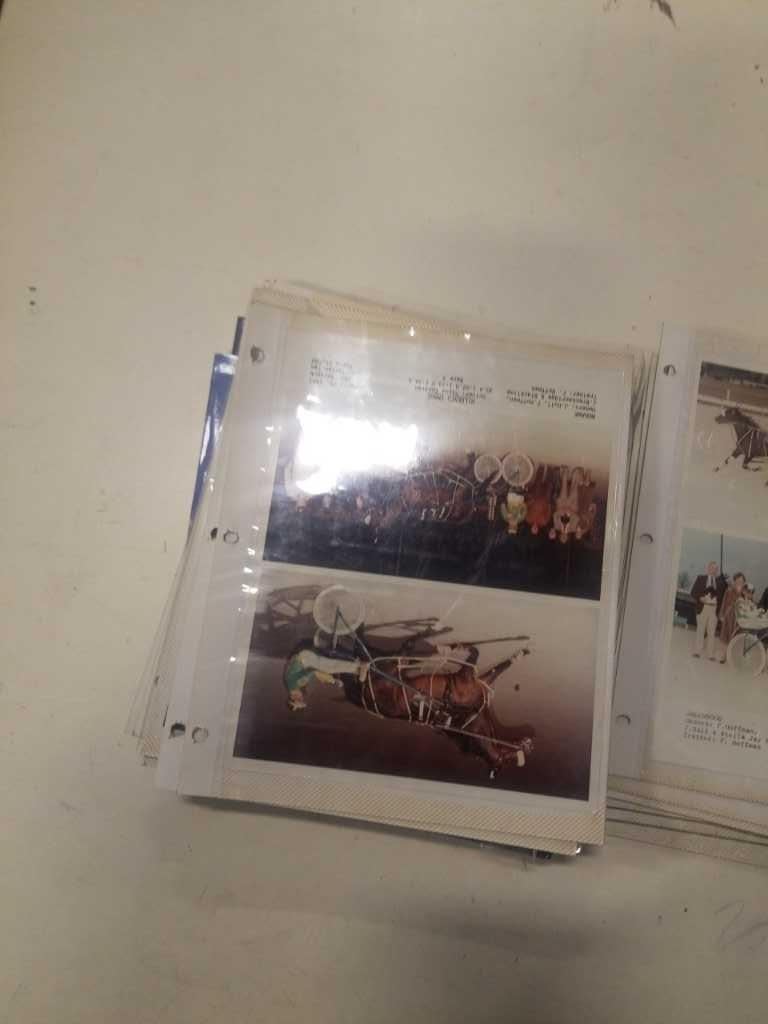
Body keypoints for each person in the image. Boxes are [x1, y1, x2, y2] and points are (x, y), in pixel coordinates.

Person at [690, 561, 727, 660]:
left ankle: (710, 654)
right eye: (712, 568)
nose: (713, 570)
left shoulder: (720, 583)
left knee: (712, 632)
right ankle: (697, 651)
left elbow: (723, 596)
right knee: (700, 630)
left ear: (717, 571)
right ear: (708, 568)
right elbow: (693, 592)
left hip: (714, 610)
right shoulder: (700, 578)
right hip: (703, 607)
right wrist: (700, 598)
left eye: (716, 569)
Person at [718, 572, 747, 664]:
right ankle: (723, 656)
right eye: (738, 580)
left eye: (741, 580)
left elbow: (749, 604)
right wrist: (722, 614)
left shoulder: (745, 592)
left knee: (736, 638)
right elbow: (724, 602)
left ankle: (732, 657)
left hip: (740, 618)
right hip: (729, 616)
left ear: (744, 582)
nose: (739, 582)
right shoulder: (729, 590)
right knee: (726, 637)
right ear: (735, 580)